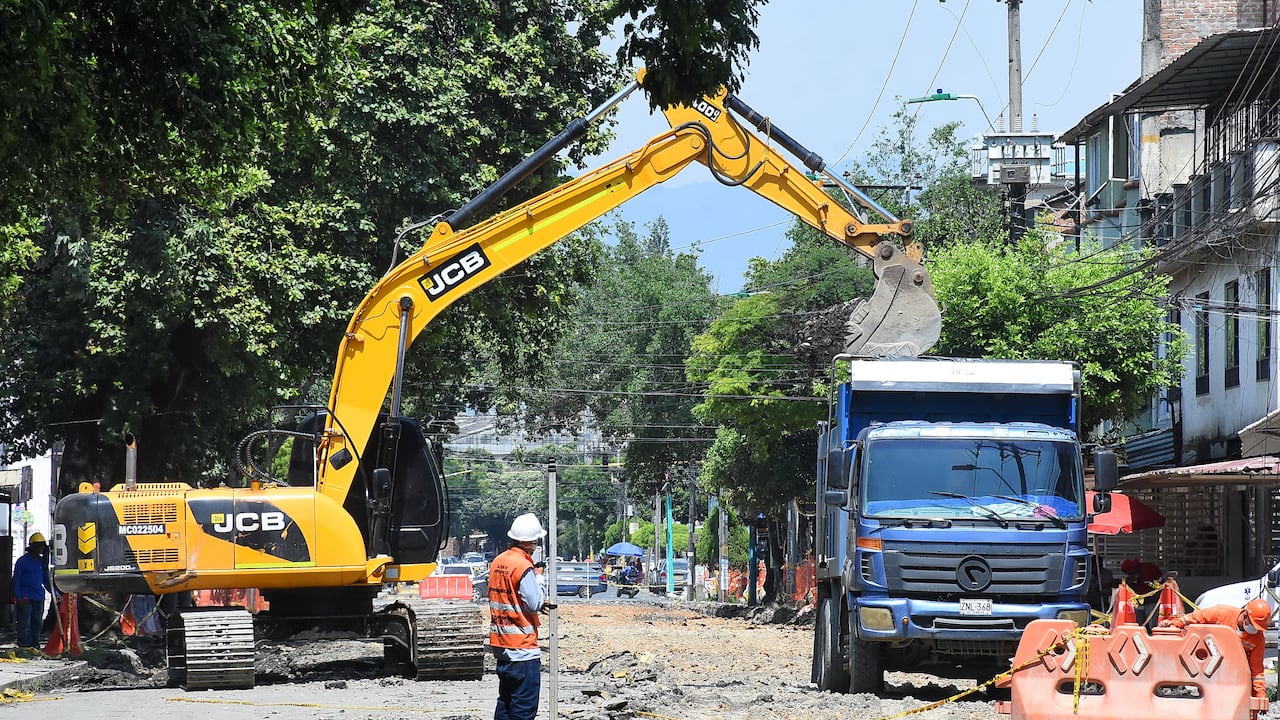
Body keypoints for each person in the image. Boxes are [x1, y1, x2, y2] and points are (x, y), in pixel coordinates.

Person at [488, 513, 554, 720]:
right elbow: (533, 603)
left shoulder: (498, 561)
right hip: (522, 650)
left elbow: (509, 597)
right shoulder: (523, 566)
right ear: (531, 542)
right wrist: (539, 577)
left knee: (505, 704)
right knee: (523, 710)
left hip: (501, 646)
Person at [1159, 597, 1271, 713]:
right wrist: (1173, 624)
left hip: (1233, 675)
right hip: (1208, 669)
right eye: (1253, 625)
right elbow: (1194, 618)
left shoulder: (1258, 639)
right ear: (1245, 614)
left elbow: (1257, 670)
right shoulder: (1221, 613)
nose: (1254, 629)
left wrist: (1260, 696)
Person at [13, 532, 53, 650]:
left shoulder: (42, 562)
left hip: (38, 597)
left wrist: (54, 593)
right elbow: (16, 581)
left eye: (42, 546)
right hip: (26, 597)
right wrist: (18, 597)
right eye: (38, 546)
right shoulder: (22, 561)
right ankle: (24, 646)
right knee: (25, 623)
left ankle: (34, 644)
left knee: (37, 622)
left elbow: (46, 580)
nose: (40, 549)